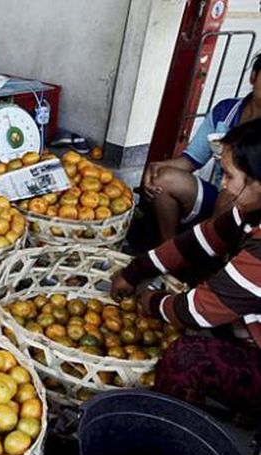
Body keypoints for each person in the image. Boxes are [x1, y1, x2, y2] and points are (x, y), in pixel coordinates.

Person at [111, 117, 261, 418]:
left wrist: (150, 301)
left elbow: (197, 311)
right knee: (204, 274)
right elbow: (193, 243)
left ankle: (179, 433)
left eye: (230, 176)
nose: (222, 183)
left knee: (185, 359)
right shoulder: (248, 211)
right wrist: (134, 272)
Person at [142, 53, 261, 242]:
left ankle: (209, 262)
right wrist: (157, 166)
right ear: (253, 76)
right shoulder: (226, 112)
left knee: (229, 197)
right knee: (163, 178)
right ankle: (168, 252)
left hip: (249, 207)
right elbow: (191, 160)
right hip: (216, 194)